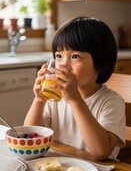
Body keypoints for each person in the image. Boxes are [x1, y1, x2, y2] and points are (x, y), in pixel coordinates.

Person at [24, 16, 125, 160]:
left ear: (100, 62)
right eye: (59, 56)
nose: (64, 65)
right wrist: (39, 100)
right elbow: (30, 139)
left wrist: (75, 100)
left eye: (75, 56)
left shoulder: (112, 101)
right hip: (62, 167)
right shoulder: (55, 98)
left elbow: (101, 152)